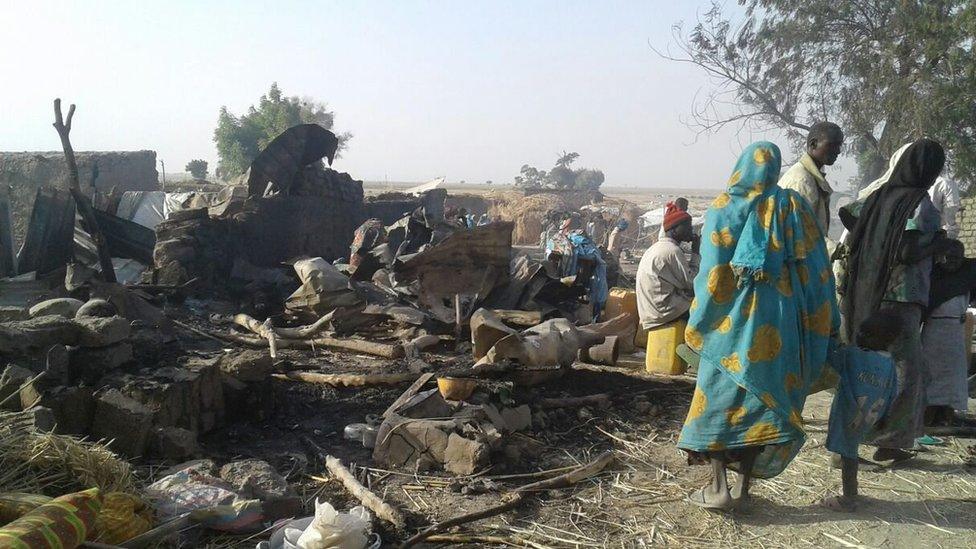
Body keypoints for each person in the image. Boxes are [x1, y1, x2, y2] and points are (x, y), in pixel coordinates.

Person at [678, 141, 838, 511]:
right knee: (762, 402)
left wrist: (700, 319)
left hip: (730, 326)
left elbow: (712, 272)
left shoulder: (723, 208)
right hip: (780, 324)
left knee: (718, 398)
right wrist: (825, 321)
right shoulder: (793, 206)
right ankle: (743, 488)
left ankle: (718, 487)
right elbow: (818, 270)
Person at [837, 138, 954, 463]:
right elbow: (907, 251)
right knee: (906, 373)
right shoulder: (920, 203)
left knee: (862, 367)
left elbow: (849, 214)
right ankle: (889, 442)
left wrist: (877, 241)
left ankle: (845, 440)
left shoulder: (879, 196)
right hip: (900, 300)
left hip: (867, 293)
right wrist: (940, 246)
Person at [823, 312, 900, 512]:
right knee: (851, 450)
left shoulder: (853, 355)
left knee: (849, 455)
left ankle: (849, 498)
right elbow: (893, 393)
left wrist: (828, 334)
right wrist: (884, 419)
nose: (859, 335)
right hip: (870, 417)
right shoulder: (889, 363)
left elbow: (831, 355)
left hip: (849, 413)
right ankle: (851, 494)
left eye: (865, 333)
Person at [921, 240, 972, 428]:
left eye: (957, 258)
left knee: (953, 378)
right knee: (932, 376)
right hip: (934, 332)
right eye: (948, 257)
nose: (952, 262)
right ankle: (928, 417)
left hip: (955, 332)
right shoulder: (932, 276)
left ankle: (947, 416)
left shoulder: (967, 276)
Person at [636, 203, 700, 330]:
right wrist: (696, 252)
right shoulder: (673, 251)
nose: (690, 230)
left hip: (649, 310)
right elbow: (693, 283)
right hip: (663, 312)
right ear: (674, 228)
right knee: (706, 307)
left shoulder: (656, 248)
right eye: (687, 226)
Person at [778, 122, 844, 238]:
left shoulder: (812, 178)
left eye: (839, 145)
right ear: (813, 144)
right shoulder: (801, 181)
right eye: (832, 145)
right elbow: (800, 235)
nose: (838, 151)